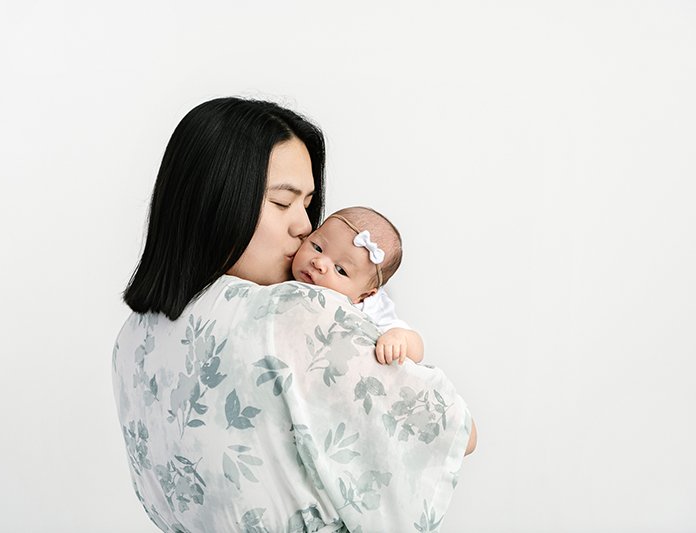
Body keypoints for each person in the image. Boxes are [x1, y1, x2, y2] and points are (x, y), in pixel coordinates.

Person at [113, 96, 477, 532]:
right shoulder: (292, 313)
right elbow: (456, 431)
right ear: (216, 202)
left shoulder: (132, 341)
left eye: (307, 203)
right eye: (283, 203)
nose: (304, 225)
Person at [291, 206, 425, 366]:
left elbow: (417, 349)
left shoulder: (370, 308)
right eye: (317, 247)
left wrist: (397, 337)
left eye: (340, 270)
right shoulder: (281, 276)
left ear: (365, 295)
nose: (319, 263)